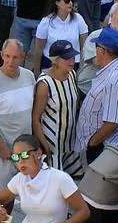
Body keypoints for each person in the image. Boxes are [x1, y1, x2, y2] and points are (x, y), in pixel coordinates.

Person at [0, 40, 38, 207]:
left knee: (12, 192)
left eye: (15, 57)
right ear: (1, 55)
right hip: (3, 151)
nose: (10, 61)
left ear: (22, 57)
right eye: (7, 56)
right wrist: (1, 147)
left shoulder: (29, 76)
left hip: (23, 151)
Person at [73, 28, 118, 165]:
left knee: (97, 186)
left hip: (104, 148)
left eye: (96, 47)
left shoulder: (115, 79)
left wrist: (92, 143)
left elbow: (112, 122)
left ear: (102, 50)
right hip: (103, 146)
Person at [32, 40, 84, 178]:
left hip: (69, 143)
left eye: (73, 57)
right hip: (52, 145)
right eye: (67, 58)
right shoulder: (44, 84)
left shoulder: (72, 74)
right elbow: (36, 119)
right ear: (55, 61)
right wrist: (44, 146)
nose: (72, 61)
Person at [31, 0, 90, 74]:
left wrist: (82, 68)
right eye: (67, 1)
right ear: (57, 3)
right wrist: (36, 71)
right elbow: (38, 49)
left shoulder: (78, 19)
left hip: (73, 65)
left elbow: (84, 46)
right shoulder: (46, 22)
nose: (70, 3)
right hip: (50, 64)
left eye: (72, 0)